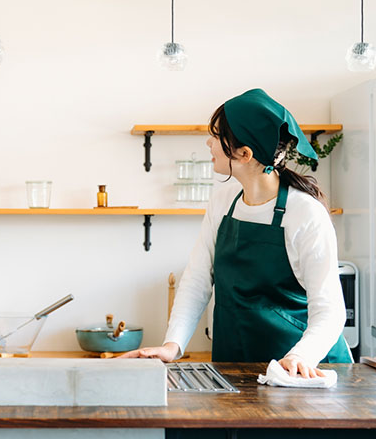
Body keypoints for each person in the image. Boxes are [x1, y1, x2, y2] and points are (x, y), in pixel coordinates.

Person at [120, 89, 352, 377]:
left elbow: (330, 310)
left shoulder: (305, 213)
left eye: (216, 136)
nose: (208, 142)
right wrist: (173, 344)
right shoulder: (223, 200)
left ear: (244, 154)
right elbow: (197, 279)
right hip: (235, 364)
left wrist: (299, 358)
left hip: (300, 373)